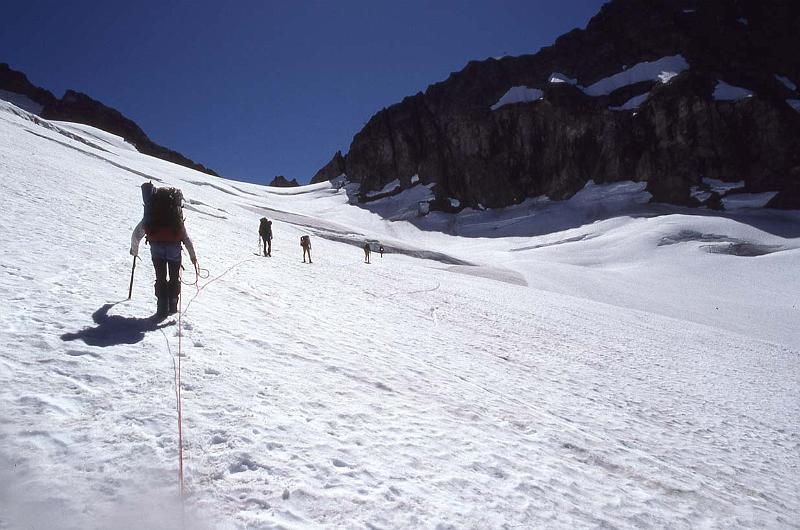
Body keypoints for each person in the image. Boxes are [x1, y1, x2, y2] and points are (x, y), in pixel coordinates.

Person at [130, 184, 197, 318]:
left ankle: (161, 305)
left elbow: (136, 234)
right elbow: (185, 237)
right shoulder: (175, 215)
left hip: (156, 248)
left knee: (160, 277)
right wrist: (193, 256)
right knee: (174, 277)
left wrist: (135, 251)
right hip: (174, 249)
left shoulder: (151, 214)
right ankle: (172, 304)